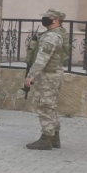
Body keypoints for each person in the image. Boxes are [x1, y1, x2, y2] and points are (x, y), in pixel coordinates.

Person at [25, 9, 70, 151]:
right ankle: (54, 137)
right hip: (53, 74)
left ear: (55, 19)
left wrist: (31, 76)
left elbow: (42, 58)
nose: (44, 19)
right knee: (50, 106)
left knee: (44, 106)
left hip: (48, 76)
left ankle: (46, 139)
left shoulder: (52, 36)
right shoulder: (56, 34)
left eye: (47, 17)